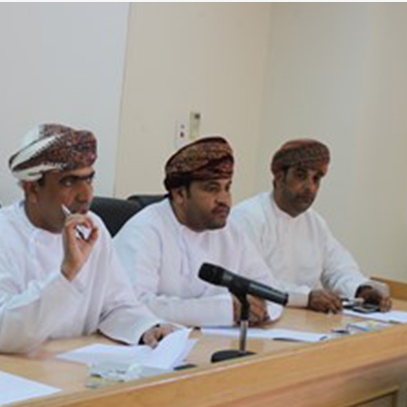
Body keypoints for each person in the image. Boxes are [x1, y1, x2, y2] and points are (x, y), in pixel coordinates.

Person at [0, 123, 172, 356]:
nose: (86, 195)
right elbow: (0, 334)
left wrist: (146, 328)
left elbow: (116, 305)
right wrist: (66, 274)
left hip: (63, 363)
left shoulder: (92, 227)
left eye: (89, 180)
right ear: (32, 189)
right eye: (69, 182)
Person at [113, 136, 283, 327]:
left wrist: (259, 311)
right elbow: (133, 307)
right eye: (212, 189)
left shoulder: (231, 232)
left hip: (218, 341)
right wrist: (224, 310)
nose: (224, 199)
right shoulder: (144, 230)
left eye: (227, 188)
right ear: (180, 194)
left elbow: (271, 294)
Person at [231, 138, 391, 314]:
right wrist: (306, 297)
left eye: (316, 179)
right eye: (301, 176)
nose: (310, 187)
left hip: (307, 323)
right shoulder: (247, 217)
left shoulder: (315, 223)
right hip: (262, 320)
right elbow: (251, 281)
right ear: (279, 176)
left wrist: (361, 290)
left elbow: (338, 268)